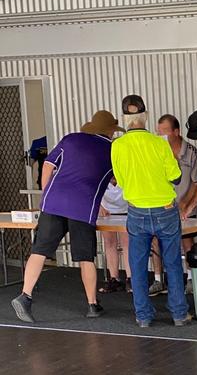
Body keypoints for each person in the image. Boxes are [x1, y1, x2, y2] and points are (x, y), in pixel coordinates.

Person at [11, 110, 123, 323]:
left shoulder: (71, 139)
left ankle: (25, 295)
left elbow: (48, 165)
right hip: (83, 208)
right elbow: (115, 181)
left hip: (53, 203)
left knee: (39, 251)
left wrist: (46, 195)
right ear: (110, 131)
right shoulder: (111, 150)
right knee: (85, 257)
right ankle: (92, 304)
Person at [111, 95, 190, 328]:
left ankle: (143, 316)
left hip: (136, 211)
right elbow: (175, 177)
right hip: (165, 209)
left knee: (136, 265)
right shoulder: (160, 143)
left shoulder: (117, 145)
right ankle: (178, 314)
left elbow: (121, 181)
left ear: (125, 118)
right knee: (173, 262)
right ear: (145, 116)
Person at [148, 114, 197, 297]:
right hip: (162, 206)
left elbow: (196, 182)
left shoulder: (191, 152)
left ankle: (190, 279)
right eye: (158, 132)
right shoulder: (156, 150)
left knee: (187, 241)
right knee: (156, 240)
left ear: (176, 132)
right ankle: (158, 279)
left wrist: (185, 204)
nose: (160, 136)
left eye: (164, 132)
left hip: (186, 207)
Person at [98, 180, 132, 293]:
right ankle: (114, 278)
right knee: (109, 243)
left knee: (127, 244)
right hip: (106, 212)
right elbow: (93, 189)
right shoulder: (102, 174)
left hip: (126, 210)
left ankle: (130, 279)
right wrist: (99, 206)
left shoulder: (125, 170)